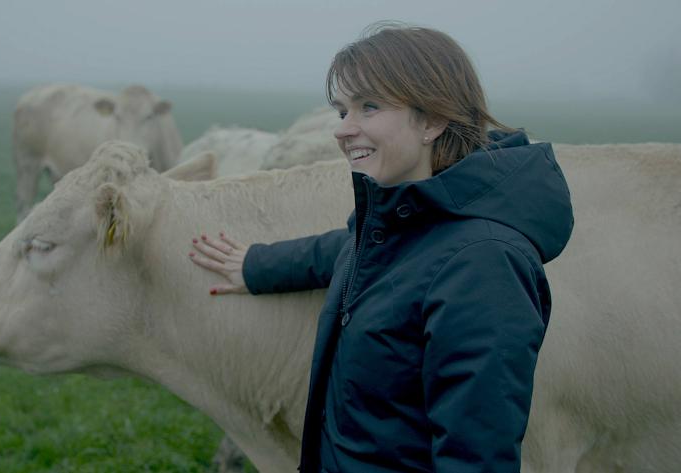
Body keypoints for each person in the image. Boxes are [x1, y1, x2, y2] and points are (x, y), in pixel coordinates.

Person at [189, 23, 573, 473]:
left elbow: (476, 457)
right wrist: (256, 265)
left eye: (368, 107)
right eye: (341, 112)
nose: (343, 130)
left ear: (432, 119)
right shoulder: (406, 221)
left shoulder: (484, 265)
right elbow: (343, 252)